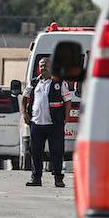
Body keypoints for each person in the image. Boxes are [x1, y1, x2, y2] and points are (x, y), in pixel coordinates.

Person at [22, 59, 71, 188]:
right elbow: (25, 97)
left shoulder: (59, 83)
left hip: (54, 124)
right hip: (36, 123)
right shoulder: (33, 82)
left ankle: (58, 179)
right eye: (41, 66)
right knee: (36, 151)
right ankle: (36, 178)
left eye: (46, 66)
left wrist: (65, 118)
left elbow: (67, 101)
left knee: (57, 152)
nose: (43, 68)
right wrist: (24, 113)